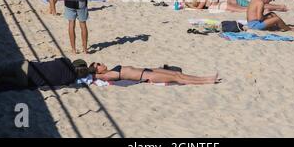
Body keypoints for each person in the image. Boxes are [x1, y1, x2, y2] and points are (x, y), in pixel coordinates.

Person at [0, 57, 89, 90]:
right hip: (26, 81)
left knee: (1, 70)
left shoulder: (64, 61)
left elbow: (56, 61)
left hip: (26, 65)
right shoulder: (70, 79)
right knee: (4, 80)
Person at [89, 62, 221, 85]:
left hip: (149, 70)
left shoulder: (110, 70)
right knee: (178, 78)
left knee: (177, 73)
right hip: (147, 76)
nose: (101, 64)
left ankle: (206, 78)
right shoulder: (105, 76)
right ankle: (207, 81)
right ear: (97, 71)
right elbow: (91, 76)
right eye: (98, 65)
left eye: (99, 63)